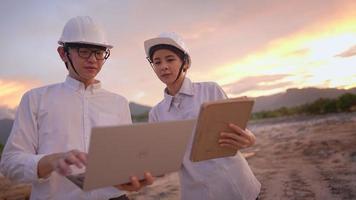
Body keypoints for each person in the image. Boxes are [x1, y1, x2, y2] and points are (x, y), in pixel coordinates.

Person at [0, 16, 154, 200]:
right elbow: (9, 163)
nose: (93, 60)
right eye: (84, 51)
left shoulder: (118, 103)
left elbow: (125, 160)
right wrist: (49, 161)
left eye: (99, 53)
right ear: (63, 53)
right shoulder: (35, 99)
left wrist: (131, 178)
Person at [144, 32, 261, 200]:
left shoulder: (210, 90)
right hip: (196, 192)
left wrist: (249, 138)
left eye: (170, 59)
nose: (163, 66)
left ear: (185, 62)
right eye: (157, 62)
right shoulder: (156, 113)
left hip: (235, 185)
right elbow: (162, 162)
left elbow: (237, 130)